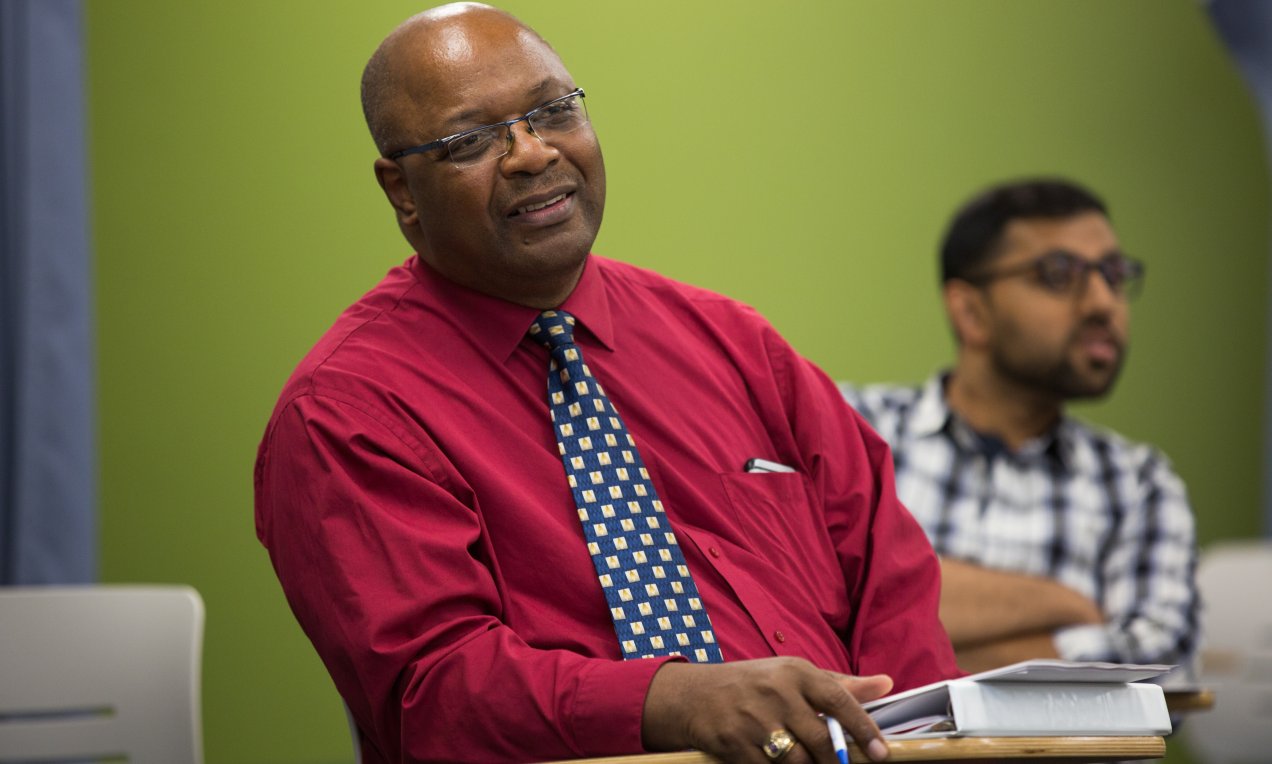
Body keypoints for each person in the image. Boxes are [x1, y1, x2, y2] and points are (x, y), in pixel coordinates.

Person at [253, 4, 959, 763]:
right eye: (472, 141)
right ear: (401, 190)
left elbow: (889, 572)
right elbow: (437, 691)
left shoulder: (732, 341)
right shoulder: (347, 412)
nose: (532, 154)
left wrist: (912, 735)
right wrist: (676, 701)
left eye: (553, 111)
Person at [840, 179, 1199, 676]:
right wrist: (1064, 606)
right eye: (1058, 274)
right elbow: (803, 603)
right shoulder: (853, 428)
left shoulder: (1138, 484)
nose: (1102, 302)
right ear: (970, 312)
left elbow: (1160, 676)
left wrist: (885, 635)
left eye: (1113, 274)